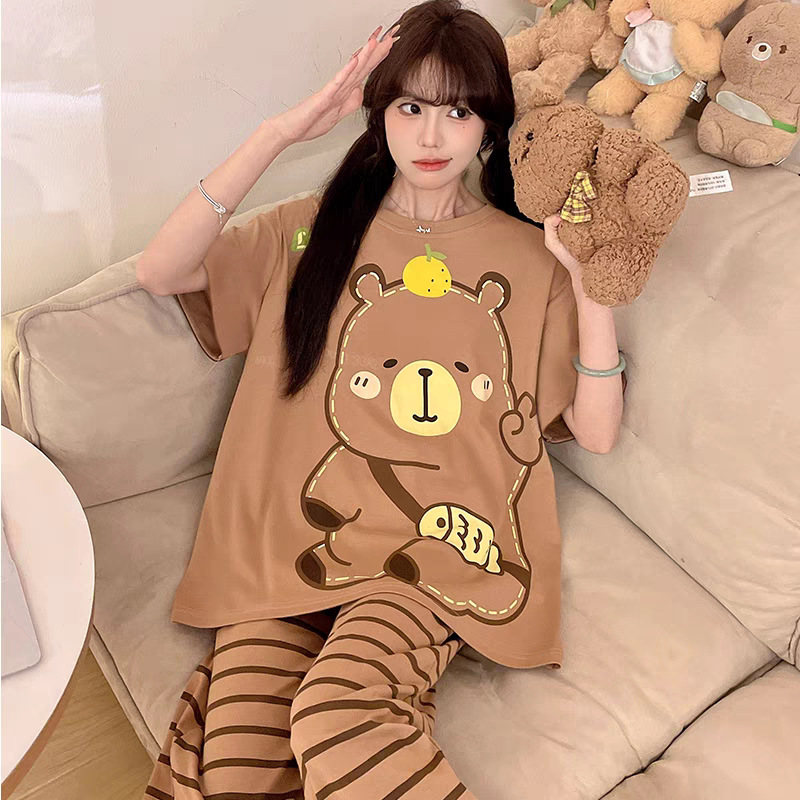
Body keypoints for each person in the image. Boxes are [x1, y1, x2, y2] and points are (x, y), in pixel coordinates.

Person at [138, 1, 625, 797]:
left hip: (432, 556)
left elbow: (595, 433)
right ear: (378, 113)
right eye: (410, 107)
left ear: (488, 124)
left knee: (337, 714)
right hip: (287, 543)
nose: (432, 136)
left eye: (458, 112)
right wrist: (280, 134)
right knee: (236, 770)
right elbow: (160, 272)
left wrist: (589, 284)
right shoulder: (311, 231)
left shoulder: (530, 258)